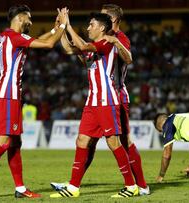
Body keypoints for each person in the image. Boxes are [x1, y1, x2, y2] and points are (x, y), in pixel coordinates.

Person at [0, 5, 68, 200]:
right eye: (29, 19)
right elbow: (47, 45)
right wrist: (63, 26)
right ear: (20, 18)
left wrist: (55, 29)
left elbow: (40, 40)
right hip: (7, 94)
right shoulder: (14, 37)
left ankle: (20, 188)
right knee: (4, 141)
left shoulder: (7, 36)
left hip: (10, 93)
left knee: (15, 142)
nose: (31, 22)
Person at [51, 4, 150, 196]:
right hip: (95, 98)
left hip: (114, 96)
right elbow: (79, 52)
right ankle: (74, 184)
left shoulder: (116, 39)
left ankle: (139, 185)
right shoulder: (101, 41)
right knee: (85, 141)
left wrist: (114, 43)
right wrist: (63, 28)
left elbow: (128, 59)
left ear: (110, 21)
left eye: (99, 19)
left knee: (122, 141)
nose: (91, 25)